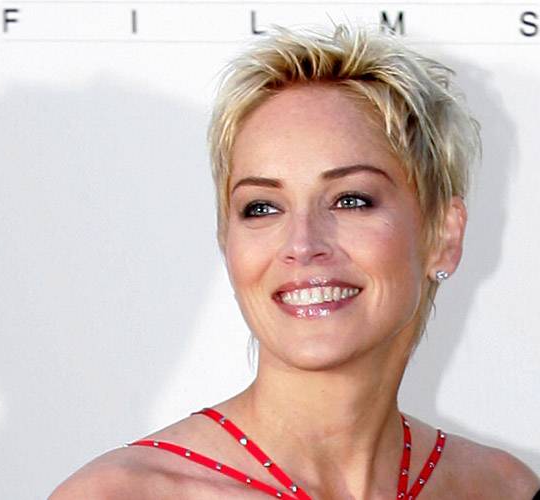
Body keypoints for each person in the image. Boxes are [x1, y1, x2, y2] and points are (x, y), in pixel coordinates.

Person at [50, 25, 540, 499]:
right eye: (262, 208)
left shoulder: (504, 489)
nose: (302, 244)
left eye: (350, 200)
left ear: (443, 235)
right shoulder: (120, 495)